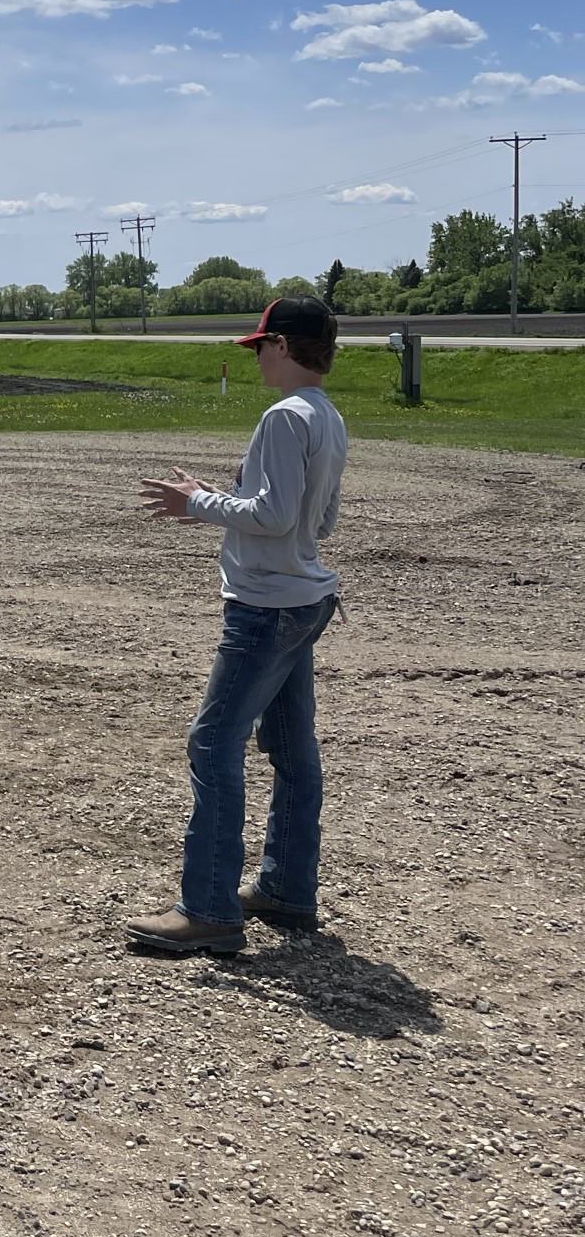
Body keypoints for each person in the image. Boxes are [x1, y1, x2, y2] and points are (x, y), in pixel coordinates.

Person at [126, 296, 351, 956]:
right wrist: (220, 499)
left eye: (260, 346)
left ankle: (208, 909)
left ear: (283, 345)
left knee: (212, 741)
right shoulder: (327, 417)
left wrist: (196, 502)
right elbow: (318, 521)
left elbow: (274, 515)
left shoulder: (284, 418)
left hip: (265, 606)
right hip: (304, 599)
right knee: (290, 746)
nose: (256, 358)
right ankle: (286, 888)